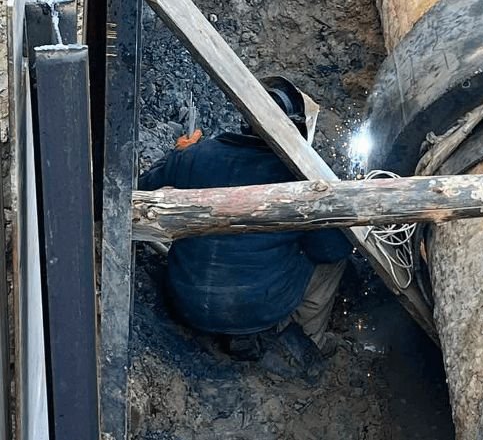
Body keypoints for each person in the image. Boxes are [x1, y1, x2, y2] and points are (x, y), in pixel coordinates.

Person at [138, 76, 352, 364]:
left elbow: (141, 191)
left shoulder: (196, 155)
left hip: (184, 303)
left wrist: (177, 155)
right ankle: (309, 340)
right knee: (336, 258)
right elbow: (331, 249)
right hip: (254, 316)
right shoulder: (299, 182)